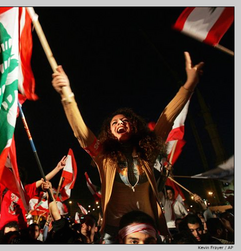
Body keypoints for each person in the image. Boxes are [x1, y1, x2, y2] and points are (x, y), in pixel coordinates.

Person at [52, 51, 204, 243]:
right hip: (113, 232)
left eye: (125, 120)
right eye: (114, 123)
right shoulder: (103, 155)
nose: (119, 123)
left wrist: (189, 85)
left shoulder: (147, 152)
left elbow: (167, 117)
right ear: (109, 132)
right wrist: (67, 94)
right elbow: (81, 133)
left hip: (147, 228)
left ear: (134, 126)